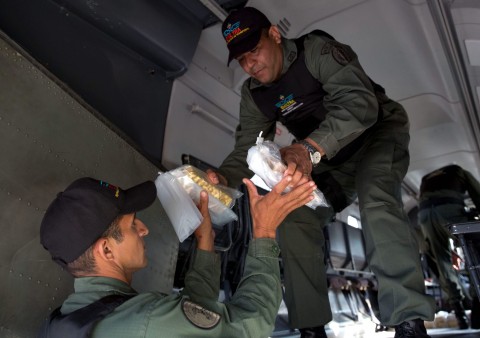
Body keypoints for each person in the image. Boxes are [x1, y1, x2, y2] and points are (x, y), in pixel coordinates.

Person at [207, 6, 436, 338]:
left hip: (376, 134)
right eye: (241, 59)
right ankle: (310, 328)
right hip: (329, 159)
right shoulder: (254, 94)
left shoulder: (314, 51)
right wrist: (223, 180)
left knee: (376, 198)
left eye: (253, 51)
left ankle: (408, 320)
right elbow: (246, 148)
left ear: (274, 34)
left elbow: (360, 103)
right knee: (294, 216)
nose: (250, 65)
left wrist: (307, 149)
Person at [38, 175, 317, 337]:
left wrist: (205, 240)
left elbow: (192, 318)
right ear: (106, 250)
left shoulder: (65, 322)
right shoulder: (145, 320)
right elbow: (250, 325)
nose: (144, 229)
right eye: (133, 224)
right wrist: (265, 231)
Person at [418, 164, 480, 329]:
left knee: (443, 263)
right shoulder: (459, 170)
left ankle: (460, 316)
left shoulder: (426, 179)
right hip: (448, 209)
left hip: (424, 215)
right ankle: (477, 310)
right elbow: (477, 193)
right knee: (474, 252)